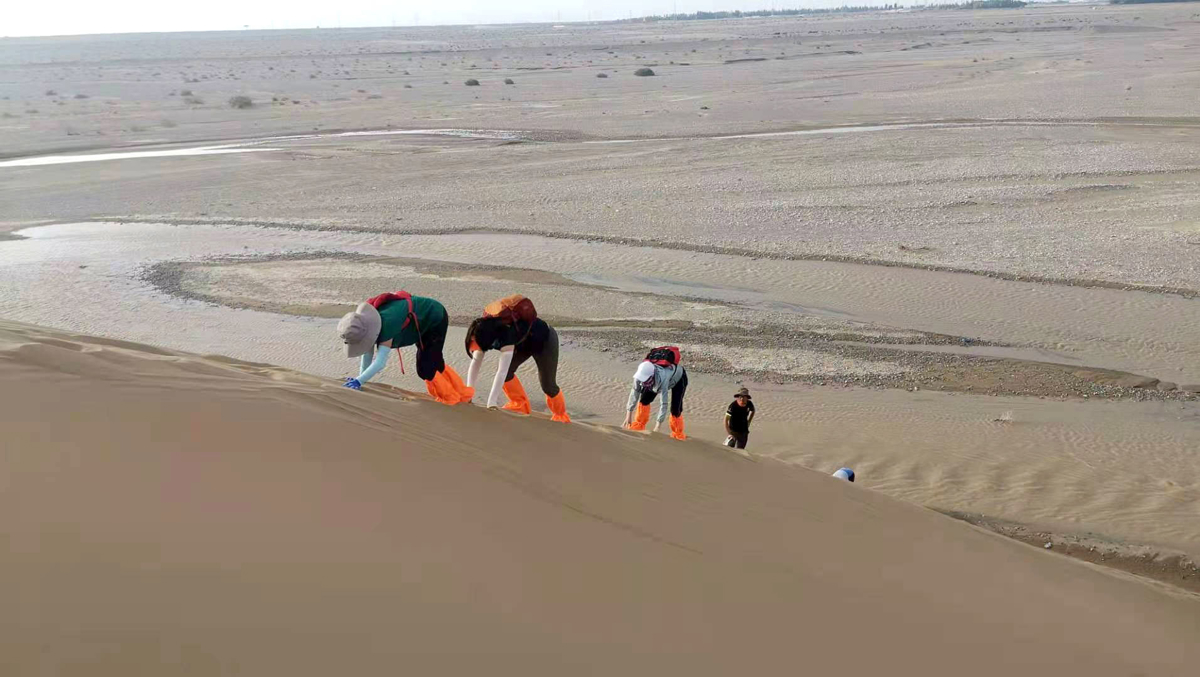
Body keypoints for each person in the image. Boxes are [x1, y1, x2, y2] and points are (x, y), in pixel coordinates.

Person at [338, 291, 473, 405]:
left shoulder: (387, 323)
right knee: (435, 360)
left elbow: (380, 362)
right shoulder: (365, 324)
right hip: (420, 321)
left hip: (435, 316)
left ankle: (451, 399)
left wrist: (359, 381)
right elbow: (367, 353)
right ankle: (462, 394)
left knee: (425, 368)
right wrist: (361, 378)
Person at [463, 304, 570, 423]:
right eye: (471, 339)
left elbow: (501, 372)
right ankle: (520, 405)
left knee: (548, 385)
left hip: (544, 340)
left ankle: (561, 416)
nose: (472, 344)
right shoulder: (481, 334)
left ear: (485, 338)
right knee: (508, 373)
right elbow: (476, 363)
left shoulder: (506, 338)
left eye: (474, 340)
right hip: (522, 344)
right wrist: (469, 394)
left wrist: (491, 404)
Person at [623, 346, 687, 440]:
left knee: (675, 408)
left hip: (678, 378)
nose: (642, 382)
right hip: (656, 381)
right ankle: (639, 424)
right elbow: (634, 392)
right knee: (644, 400)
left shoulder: (662, 378)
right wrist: (628, 416)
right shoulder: (640, 374)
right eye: (641, 379)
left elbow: (663, 404)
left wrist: (657, 427)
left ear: (651, 376)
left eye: (644, 380)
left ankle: (678, 434)